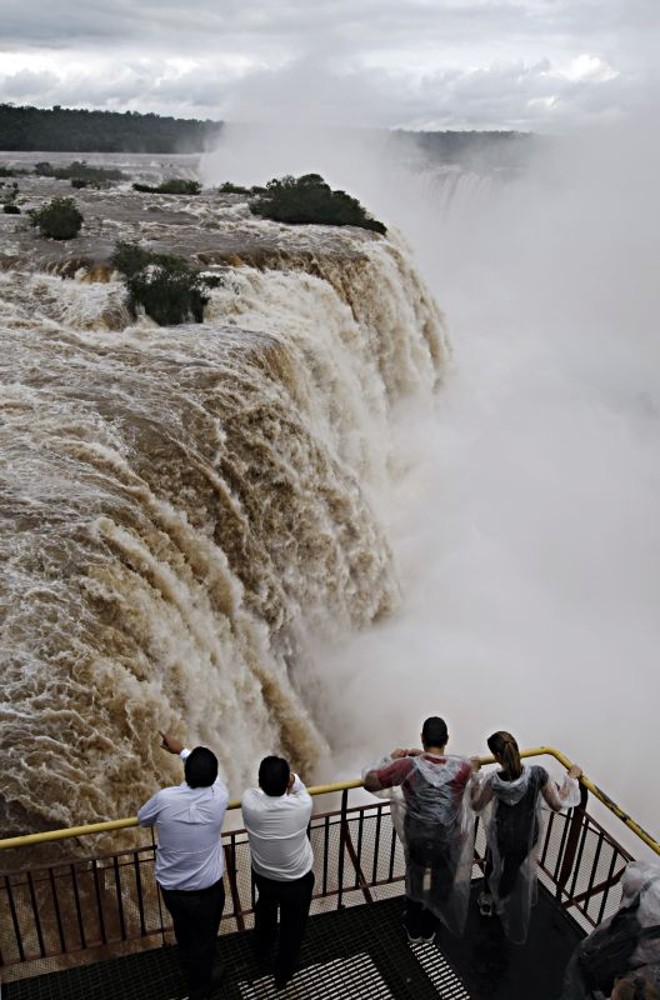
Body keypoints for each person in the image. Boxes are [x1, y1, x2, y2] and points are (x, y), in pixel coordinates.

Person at [363, 716, 477, 942]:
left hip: (417, 838)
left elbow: (371, 782)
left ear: (422, 738)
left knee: (415, 878)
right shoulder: (463, 767)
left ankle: (414, 930)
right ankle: (430, 928)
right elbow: (466, 772)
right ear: (446, 739)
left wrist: (390, 759)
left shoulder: (406, 766)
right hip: (448, 839)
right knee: (443, 881)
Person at [137, 731, 229, 1000]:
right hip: (209, 890)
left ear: (187, 774)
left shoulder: (165, 799)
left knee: (185, 930)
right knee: (207, 933)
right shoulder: (220, 797)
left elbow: (143, 819)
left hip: (174, 890)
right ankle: (202, 978)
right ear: (213, 779)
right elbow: (214, 780)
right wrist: (184, 752)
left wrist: (181, 753)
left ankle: (196, 980)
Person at [470, 730, 582, 944]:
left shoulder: (494, 780)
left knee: (493, 862)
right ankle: (501, 902)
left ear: (495, 755)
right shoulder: (538, 774)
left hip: (501, 831)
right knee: (511, 868)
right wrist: (571, 779)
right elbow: (557, 804)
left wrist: (475, 774)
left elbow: (476, 805)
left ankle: (487, 899)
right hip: (525, 834)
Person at [241, 755, 314, 992]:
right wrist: (292, 778)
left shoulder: (249, 803)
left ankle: (261, 956)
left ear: (260, 782)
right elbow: (299, 787)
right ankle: (283, 974)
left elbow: (254, 791)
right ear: (286, 783)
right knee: (293, 928)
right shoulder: (302, 805)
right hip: (297, 880)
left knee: (265, 913)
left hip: (265, 877)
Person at [560, 861, 660, 1000]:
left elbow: (630, 877)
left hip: (598, 949)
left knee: (576, 988)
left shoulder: (651, 878)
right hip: (631, 977)